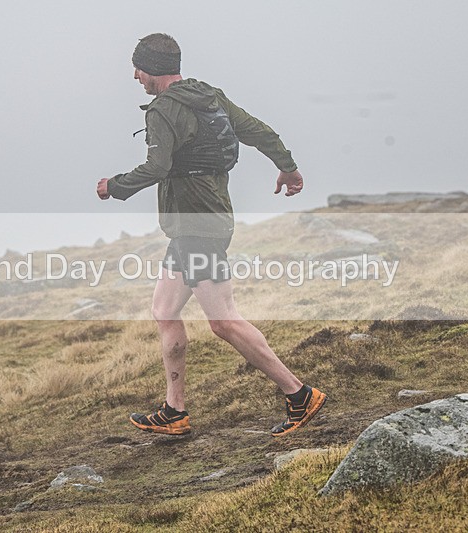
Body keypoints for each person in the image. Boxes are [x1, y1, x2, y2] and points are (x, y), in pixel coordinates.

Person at [96, 33, 326, 437]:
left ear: (152, 69)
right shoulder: (210, 96)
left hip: (198, 228)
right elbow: (258, 131)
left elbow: (157, 167)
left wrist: (113, 186)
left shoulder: (164, 111)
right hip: (197, 225)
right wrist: (287, 167)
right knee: (165, 310)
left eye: (139, 69)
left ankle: (299, 394)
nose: (136, 76)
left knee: (223, 321)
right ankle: (174, 410)